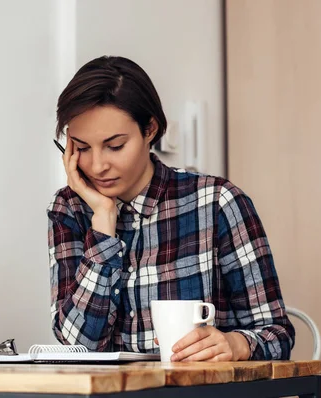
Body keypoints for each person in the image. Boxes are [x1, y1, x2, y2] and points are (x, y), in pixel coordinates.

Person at [46, 56, 295, 361]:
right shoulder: (69, 209)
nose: (98, 166)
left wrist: (236, 344)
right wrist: (103, 224)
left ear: (149, 129)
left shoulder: (217, 202)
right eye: (82, 148)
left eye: (115, 146)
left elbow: (278, 334)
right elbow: (78, 346)